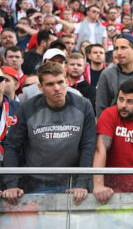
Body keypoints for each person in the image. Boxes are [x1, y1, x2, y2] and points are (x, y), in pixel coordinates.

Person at [2, 62, 96, 205]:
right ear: (40, 87)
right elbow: (12, 146)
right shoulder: (27, 108)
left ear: (67, 82)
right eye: (50, 84)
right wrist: (11, 184)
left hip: (73, 185)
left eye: (60, 82)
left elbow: (88, 147)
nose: (57, 88)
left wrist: (82, 183)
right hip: (35, 184)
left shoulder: (84, 105)